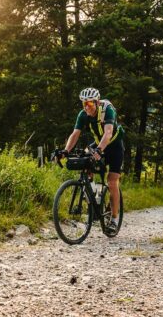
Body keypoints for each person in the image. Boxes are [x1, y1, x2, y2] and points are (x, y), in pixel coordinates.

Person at [56, 87, 125, 229]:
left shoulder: (107, 110)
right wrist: (65, 151)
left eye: (90, 103)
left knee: (112, 181)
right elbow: (75, 134)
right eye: (84, 103)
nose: (86, 107)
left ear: (97, 102)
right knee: (85, 161)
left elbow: (108, 133)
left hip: (114, 146)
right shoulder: (83, 114)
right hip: (98, 143)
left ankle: (114, 219)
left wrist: (99, 150)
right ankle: (94, 199)